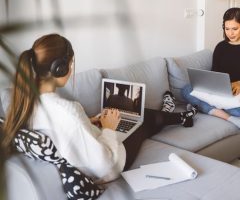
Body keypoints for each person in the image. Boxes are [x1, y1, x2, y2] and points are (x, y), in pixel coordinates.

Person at [2, 33, 197, 183]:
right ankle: (181, 117)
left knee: (135, 117)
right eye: (70, 64)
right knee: (141, 119)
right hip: (109, 165)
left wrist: (88, 122)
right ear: (60, 69)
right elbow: (105, 166)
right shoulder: (68, 110)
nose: (71, 70)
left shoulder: (27, 104)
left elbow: (66, 133)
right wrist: (109, 129)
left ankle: (180, 117)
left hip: (92, 145)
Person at [181, 7, 240, 128]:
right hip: (221, 93)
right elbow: (215, 72)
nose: (230, 33)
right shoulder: (220, 47)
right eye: (227, 28)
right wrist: (210, 86)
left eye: (235, 29)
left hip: (237, 96)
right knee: (186, 90)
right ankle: (230, 118)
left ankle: (200, 106)